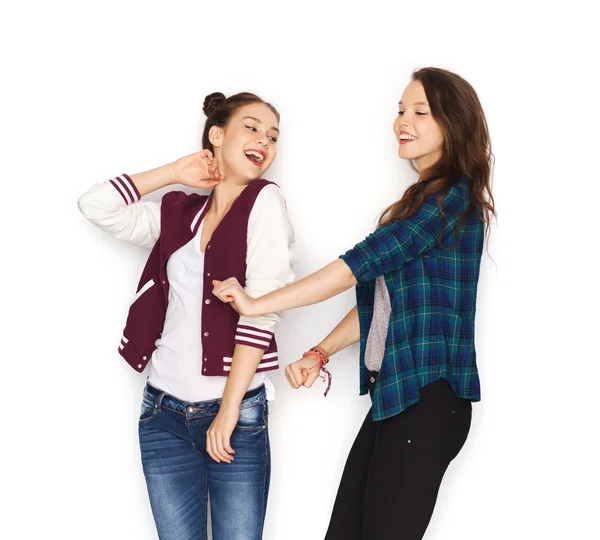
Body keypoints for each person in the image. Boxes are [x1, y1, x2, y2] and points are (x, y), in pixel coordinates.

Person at [212, 68, 495, 540]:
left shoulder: (449, 200)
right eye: (400, 110)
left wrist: (255, 304)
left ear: (453, 123)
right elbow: (383, 304)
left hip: (429, 399)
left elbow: (354, 267)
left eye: (420, 112)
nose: (402, 120)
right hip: (399, 396)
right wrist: (318, 352)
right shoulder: (423, 200)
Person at [78, 91, 295, 540]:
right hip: (162, 413)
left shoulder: (265, 202)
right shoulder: (182, 213)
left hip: (234, 414)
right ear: (217, 135)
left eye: (273, 136)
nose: (264, 142)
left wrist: (230, 409)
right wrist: (175, 172)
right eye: (252, 127)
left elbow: (263, 312)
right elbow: (96, 205)